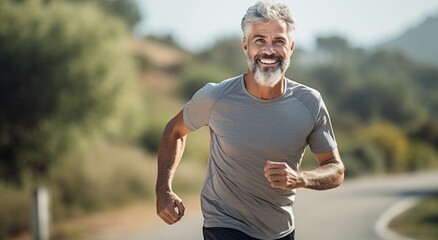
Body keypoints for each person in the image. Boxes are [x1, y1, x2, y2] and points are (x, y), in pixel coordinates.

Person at [155, 0, 345, 239]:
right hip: (224, 224)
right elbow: (174, 131)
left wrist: (301, 178)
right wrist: (163, 189)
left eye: (278, 41)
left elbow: (336, 170)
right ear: (245, 46)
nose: (268, 50)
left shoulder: (309, 103)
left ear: (291, 47)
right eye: (259, 40)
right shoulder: (216, 97)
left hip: (280, 230)